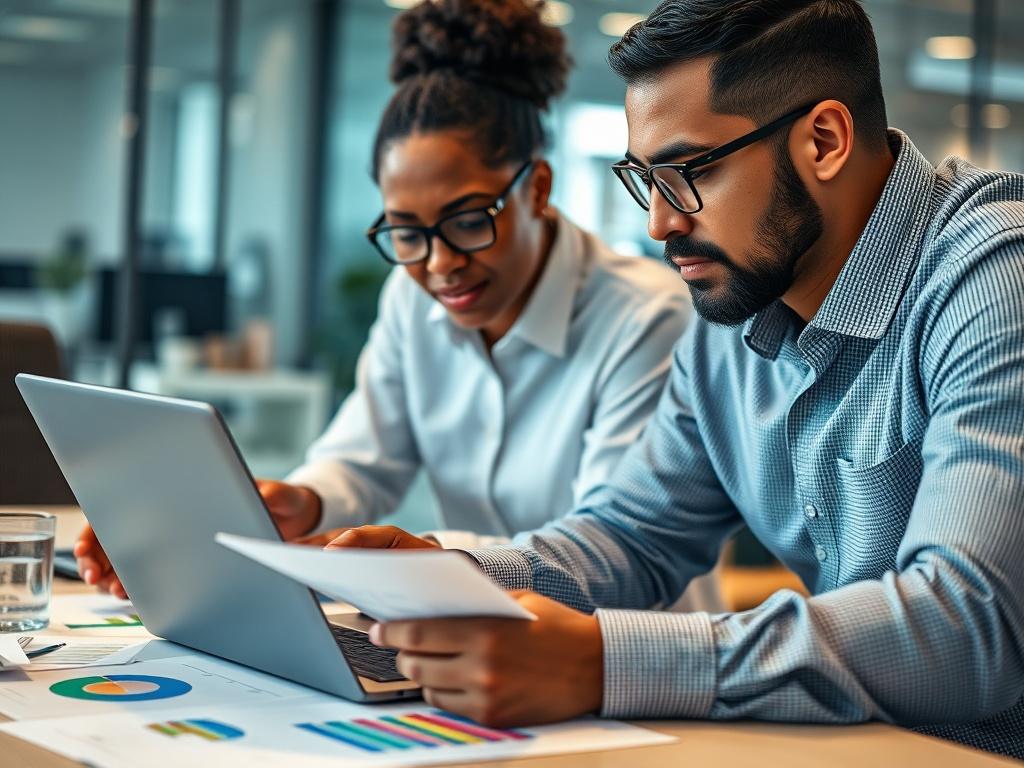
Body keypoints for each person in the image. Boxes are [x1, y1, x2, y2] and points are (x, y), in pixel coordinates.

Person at [320, 0, 1024, 758]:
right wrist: (458, 574)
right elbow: (634, 539)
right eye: (643, 178)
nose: (659, 222)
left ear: (824, 140)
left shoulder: (993, 277)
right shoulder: (735, 305)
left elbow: (968, 627)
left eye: (688, 173)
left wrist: (606, 662)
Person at [74, 0, 721, 610]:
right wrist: (299, 501)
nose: (439, 264)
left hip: (623, 658)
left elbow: (612, 546)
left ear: (538, 189)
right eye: (406, 233)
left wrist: (430, 559)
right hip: (473, 637)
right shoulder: (411, 301)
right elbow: (362, 460)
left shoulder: (647, 318)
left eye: (468, 221)